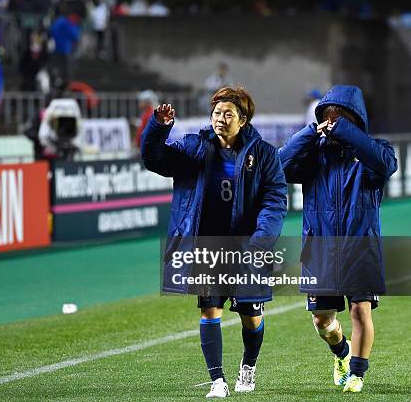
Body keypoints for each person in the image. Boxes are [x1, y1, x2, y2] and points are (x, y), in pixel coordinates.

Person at [141, 87, 287, 398]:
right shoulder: (195, 146)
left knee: (251, 316)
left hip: (248, 247)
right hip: (207, 245)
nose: (220, 119)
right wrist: (158, 127)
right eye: (217, 113)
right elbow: (156, 159)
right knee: (210, 311)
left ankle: (248, 365)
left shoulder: (264, 154)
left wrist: (261, 240)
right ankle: (217, 380)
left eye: (228, 114)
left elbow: (275, 201)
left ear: (243, 120)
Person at [279, 85, 397, 393]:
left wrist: (345, 132)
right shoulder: (313, 155)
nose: (330, 121)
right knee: (322, 321)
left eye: (338, 116)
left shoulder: (374, 152)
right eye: (326, 115)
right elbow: (277, 168)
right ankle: (342, 353)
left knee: (360, 310)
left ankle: (357, 373)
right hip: (319, 249)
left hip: (361, 246)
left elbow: (386, 166)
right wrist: (309, 133)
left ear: (353, 119)